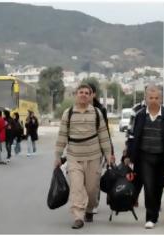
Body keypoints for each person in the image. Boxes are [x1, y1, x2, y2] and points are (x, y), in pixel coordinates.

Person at [54, 84, 112, 229]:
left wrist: (109, 154)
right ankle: (78, 216)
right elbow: (62, 136)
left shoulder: (97, 113)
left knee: (92, 190)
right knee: (76, 187)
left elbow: (104, 136)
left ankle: (89, 209)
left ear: (91, 95)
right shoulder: (68, 113)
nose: (84, 95)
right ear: (76, 94)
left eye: (87, 93)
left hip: (94, 157)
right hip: (74, 157)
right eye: (81, 92)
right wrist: (57, 155)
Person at [126, 84, 164, 229]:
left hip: (163, 158)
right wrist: (128, 155)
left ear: (161, 99)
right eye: (150, 97)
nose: (153, 100)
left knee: (158, 187)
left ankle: (154, 213)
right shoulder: (139, 116)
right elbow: (131, 136)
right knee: (149, 187)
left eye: (157, 98)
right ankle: (150, 218)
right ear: (145, 98)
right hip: (144, 157)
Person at [88, 82, 115, 214]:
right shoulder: (76, 109)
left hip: (97, 148)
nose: (86, 95)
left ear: (94, 94)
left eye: (89, 93)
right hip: (80, 150)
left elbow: (106, 132)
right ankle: (84, 202)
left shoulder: (101, 110)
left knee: (94, 177)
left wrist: (110, 151)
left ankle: (93, 203)